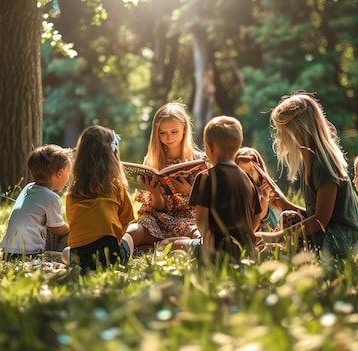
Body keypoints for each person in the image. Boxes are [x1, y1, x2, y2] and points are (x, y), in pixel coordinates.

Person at [268, 91, 358, 259]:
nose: (279, 137)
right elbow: (319, 214)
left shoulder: (323, 163)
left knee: (277, 242)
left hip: (340, 241)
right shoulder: (310, 161)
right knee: (288, 217)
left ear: (297, 131)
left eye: (282, 131)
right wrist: (285, 204)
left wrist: (277, 237)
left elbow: (320, 220)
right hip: (332, 234)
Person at [127, 102, 205, 250]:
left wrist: (189, 191)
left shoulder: (199, 162)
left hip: (187, 221)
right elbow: (158, 209)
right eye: (163, 133)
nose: (169, 138)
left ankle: (158, 246)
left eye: (174, 131)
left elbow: (208, 203)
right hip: (156, 220)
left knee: (198, 234)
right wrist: (155, 193)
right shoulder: (151, 161)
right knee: (133, 231)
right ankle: (164, 245)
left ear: (184, 128)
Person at [188, 116, 262, 261]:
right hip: (245, 252)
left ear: (209, 148)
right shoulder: (248, 179)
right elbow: (255, 221)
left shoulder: (205, 177)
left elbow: (202, 224)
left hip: (216, 251)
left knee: (171, 244)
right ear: (236, 148)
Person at [64, 125, 134, 271]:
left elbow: (73, 223)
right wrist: (116, 241)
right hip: (111, 256)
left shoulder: (73, 192)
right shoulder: (116, 187)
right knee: (130, 239)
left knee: (65, 253)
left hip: (80, 258)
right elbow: (126, 219)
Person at [0, 144, 73, 261]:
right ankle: (60, 255)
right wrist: (72, 228)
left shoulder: (28, 188)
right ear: (60, 173)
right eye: (68, 172)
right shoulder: (51, 198)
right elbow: (57, 228)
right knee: (71, 233)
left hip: (8, 253)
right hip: (30, 254)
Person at [234, 147, 280, 233]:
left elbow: (260, 215)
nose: (249, 176)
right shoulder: (236, 194)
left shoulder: (264, 191)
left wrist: (265, 194)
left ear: (259, 172)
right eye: (243, 172)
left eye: (252, 171)